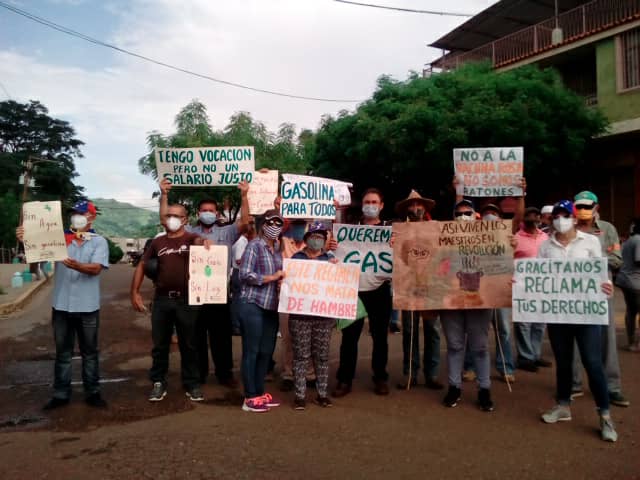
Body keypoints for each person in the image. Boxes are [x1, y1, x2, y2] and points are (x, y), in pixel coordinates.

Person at [16, 200, 110, 410]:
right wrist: (26, 241)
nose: (76, 216)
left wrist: (77, 266)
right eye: (74, 213)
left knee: (90, 352)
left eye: (81, 213)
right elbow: (35, 261)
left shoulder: (98, 242)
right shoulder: (57, 240)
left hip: (88, 308)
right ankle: (60, 394)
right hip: (62, 306)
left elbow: (96, 269)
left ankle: (93, 392)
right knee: (63, 352)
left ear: (91, 217)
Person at [538, 200, 618, 442]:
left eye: (565, 215)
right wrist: (522, 285)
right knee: (563, 363)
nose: (560, 219)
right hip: (558, 314)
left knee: (592, 363)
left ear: (574, 218)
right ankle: (563, 406)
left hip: (586, 314)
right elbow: (538, 277)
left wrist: (608, 287)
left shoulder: (591, 242)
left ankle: (605, 416)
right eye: (556, 216)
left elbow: (601, 275)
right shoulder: (546, 247)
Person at [159, 178, 250, 388]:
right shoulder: (187, 232)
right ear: (198, 214)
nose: (207, 213)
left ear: (217, 214)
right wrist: (164, 195)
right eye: (203, 210)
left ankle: (224, 373)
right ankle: (198, 374)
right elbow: (166, 220)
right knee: (195, 336)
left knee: (221, 337)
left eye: (211, 210)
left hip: (218, 293)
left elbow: (245, 223)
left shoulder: (226, 232)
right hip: (194, 292)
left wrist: (244, 196)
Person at [131, 203, 212, 402]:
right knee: (160, 345)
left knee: (189, 344)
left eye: (176, 216)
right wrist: (135, 292)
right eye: (169, 216)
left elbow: (199, 240)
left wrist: (204, 242)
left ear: (185, 220)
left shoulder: (191, 238)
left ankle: (192, 383)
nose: (172, 219)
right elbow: (142, 265)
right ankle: (158, 382)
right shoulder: (157, 243)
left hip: (187, 300)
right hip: (162, 300)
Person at [571, 191, 629, 407]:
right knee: (574, 339)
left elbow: (616, 260)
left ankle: (612, 387)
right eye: (579, 206)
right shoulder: (568, 229)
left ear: (596, 207)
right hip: (573, 294)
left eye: (587, 206)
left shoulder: (607, 229)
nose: (583, 210)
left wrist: (593, 259)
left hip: (600, 292)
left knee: (607, 340)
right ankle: (573, 384)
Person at [333, 188, 393, 397]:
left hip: (379, 290)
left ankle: (380, 378)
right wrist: (334, 243)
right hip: (353, 290)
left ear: (381, 205)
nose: (370, 205)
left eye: (374, 202)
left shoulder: (390, 230)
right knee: (349, 337)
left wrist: (396, 245)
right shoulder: (350, 229)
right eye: (367, 201)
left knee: (380, 338)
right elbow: (336, 251)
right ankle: (344, 379)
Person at [440, 199, 495, 412]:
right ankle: (454, 386)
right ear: (454, 216)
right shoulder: (442, 239)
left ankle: (485, 389)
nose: (463, 216)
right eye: (459, 212)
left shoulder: (489, 239)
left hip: (479, 301)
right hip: (451, 300)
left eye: (467, 212)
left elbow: (499, 262)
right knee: (454, 346)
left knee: (480, 347)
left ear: (475, 215)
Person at [393, 189, 443, 390]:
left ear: (424, 207)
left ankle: (431, 374)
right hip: (407, 286)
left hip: (431, 286)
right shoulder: (399, 231)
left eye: (418, 205)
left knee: (432, 331)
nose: (415, 208)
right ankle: (410, 374)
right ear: (406, 209)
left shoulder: (436, 228)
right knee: (409, 331)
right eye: (412, 205)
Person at [237, 209, 285, 413]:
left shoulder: (277, 249)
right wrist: (272, 278)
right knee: (252, 351)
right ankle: (249, 397)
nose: (275, 226)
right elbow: (245, 274)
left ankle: (259, 392)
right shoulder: (254, 246)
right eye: (271, 222)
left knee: (266, 351)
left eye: (279, 223)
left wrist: (282, 281)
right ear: (263, 224)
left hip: (271, 307)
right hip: (253, 304)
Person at [289, 222, 336, 410]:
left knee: (322, 356)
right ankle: (299, 396)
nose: (317, 240)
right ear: (306, 239)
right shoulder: (296, 258)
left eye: (320, 237)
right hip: (300, 315)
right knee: (301, 356)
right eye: (313, 236)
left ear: (325, 241)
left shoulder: (331, 260)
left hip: (323, 316)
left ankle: (322, 394)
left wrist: (337, 270)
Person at [513, 207, 551, 370]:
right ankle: (525, 357)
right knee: (523, 323)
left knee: (540, 323)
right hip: (521, 286)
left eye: (535, 215)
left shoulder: (545, 237)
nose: (532, 218)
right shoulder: (515, 237)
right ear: (523, 218)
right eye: (528, 215)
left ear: (539, 219)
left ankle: (535, 354)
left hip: (542, 286)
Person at [615, 218, 640, 351]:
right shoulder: (639, 240)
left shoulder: (630, 240)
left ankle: (631, 342)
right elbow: (638, 260)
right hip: (634, 281)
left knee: (631, 311)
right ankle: (636, 344)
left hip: (625, 280)